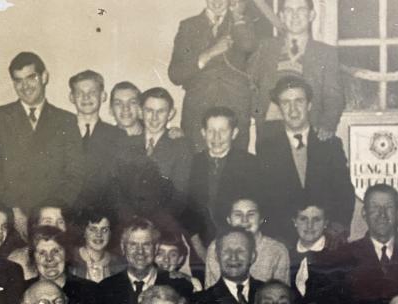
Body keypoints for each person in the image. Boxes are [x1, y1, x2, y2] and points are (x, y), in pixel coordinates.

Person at [0, 51, 84, 219]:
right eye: (18, 80)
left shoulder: (66, 120)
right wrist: (13, 209)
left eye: (31, 77)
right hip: (10, 216)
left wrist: (51, 212)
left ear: (44, 77)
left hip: (53, 217)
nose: (25, 86)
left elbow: (75, 174)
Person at [255, 75, 355, 242]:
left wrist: (336, 230)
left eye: (298, 101)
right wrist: (277, 240)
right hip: (283, 240)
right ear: (279, 108)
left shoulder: (329, 144)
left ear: (309, 105)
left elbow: (344, 193)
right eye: (286, 103)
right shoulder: (267, 149)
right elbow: (265, 200)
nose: (293, 110)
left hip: (326, 238)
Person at [168, 0, 257, 151]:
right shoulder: (188, 26)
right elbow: (175, 75)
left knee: (234, 168)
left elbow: (248, 46)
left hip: (235, 111)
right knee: (197, 168)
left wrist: (236, 16)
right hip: (197, 114)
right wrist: (208, 54)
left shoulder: (241, 22)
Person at [249, 0, 344, 141]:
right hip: (270, 129)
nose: (295, 16)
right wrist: (258, 112)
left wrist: (327, 125)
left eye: (301, 10)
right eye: (289, 10)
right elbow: (250, 83)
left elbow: (334, 96)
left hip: (311, 129)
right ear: (281, 16)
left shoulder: (326, 53)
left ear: (312, 15)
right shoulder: (266, 47)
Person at [184, 106, 264, 257]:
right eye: (211, 131)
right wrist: (200, 250)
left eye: (223, 131)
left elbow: (255, 210)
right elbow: (188, 210)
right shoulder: (192, 163)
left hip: (240, 245)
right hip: (199, 245)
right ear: (203, 133)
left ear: (234, 133)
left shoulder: (249, 164)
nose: (216, 138)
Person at [115, 88, 193, 227]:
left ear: (171, 114)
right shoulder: (127, 144)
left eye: (161, 111)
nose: (154, 117)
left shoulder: (180, 146)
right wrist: (130, 221)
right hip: (128, 224)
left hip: (164, 224)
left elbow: (180, 194)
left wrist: (155, 225)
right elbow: (119, 190)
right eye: (149, 111)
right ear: (140, 112)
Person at [23, 226, 102, 304]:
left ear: (66, 254)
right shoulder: (22, 291)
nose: (49, 259)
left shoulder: (89, 292)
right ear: (33, 258)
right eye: (42, 253)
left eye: (56, 251)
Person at [288, 203, 347, 304]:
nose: (309, 225)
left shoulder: (339, 255)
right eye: (303, 219)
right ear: (294, 221)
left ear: (326, 223)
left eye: (316, 219)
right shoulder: (286, 254)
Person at [69, 69, 126, 210]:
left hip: (102, 215)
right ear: (71, 97)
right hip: (67, 212)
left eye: (92, 92)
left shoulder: (117, 136)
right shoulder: (61, 132)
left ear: (103, 96)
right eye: (80, 93)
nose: (86, 97)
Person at [204, 197, 290, 287]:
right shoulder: (215, 247)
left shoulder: (277, 250)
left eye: (251, 214)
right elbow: (212, 291)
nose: (244, 220)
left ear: (261, 219)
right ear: (229, 220)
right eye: (238, 214)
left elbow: (281, 293)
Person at [7, 205, 69, 277]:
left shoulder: (76, 258)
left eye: (60, 222)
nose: (55, 227)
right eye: (48, 221)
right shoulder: (19, 260)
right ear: (35, 225)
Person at [70, 207, 126, 283]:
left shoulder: (120, 263)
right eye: (93, 229)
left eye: (104, 230)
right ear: (84, 232)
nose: (99, 234)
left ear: (110, 233)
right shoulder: (70, 259)